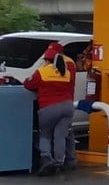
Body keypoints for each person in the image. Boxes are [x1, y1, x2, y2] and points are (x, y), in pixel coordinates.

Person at [23, 42, 77, 175]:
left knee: (45, 135)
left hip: (49, 108)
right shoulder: (67, 72)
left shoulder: (42, 72)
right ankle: (59, 162)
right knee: (60, 136)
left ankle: (47, 160)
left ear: (47, 59)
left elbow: (28, 84)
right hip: (67, 107)